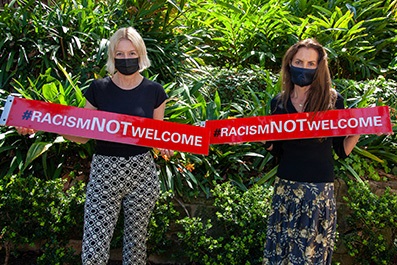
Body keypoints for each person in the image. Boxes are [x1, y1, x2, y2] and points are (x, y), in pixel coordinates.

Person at [18, 27, 173, 265]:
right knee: (94, 247)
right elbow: (81, 135)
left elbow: (156, 135)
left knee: (136, 247)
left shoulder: (155, 92)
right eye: (119, 54)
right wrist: (42, 124)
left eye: (131, 53)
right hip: (105, 170)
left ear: (140, 54)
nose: (126, 59)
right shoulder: (99, 89)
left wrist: (166, 145)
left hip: (142, 171)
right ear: (112, 56)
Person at [261, 38, 360, 265]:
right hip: (286, 190)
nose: (303, 68)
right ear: (289, 64)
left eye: (310, 64)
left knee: (311, 257)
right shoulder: (279, 103)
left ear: (319, 67)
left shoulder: (333, 101)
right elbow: (275, 149)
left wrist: (360, 131)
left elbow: (341, 152)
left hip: (318, 193)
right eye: (299, 62)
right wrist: (256, 139)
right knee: (281, 255)